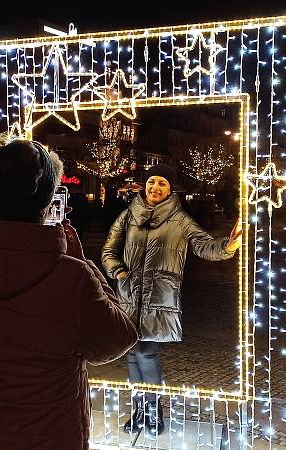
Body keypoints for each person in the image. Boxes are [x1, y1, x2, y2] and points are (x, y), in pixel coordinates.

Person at [0, 136, 137, 450]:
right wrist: (83, 262)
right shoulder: (72, 277)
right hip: (44, 434)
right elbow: (117, 338)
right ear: (47, 201)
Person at [101, 164, 243, 437]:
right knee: (131, 352)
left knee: (145, 352)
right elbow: (109, 249)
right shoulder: (128, 215)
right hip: (130, 295)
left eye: (162, 183)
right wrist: (118, 271)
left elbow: (204, 245)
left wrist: (229, 246)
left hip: (159, 297)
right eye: (151, 181)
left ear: (171, 189)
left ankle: (154, 410)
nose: (155, 187)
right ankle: (139, 410)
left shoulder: (180, 219)